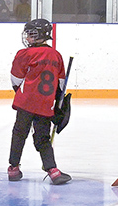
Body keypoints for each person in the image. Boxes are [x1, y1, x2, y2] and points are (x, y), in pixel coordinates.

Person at [7, 18, 72, 184]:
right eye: (28, 34)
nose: (28, 38)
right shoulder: (56, 56)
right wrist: (57, 104)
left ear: (42, 35)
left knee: (19, 134)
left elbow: (15, 79)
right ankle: (53, 171)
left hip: (25, 102)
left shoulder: (25, 54)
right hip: (45, 105)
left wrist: (23, 93)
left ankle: (13, 169)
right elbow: (61, 84)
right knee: (42, 137)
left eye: (32, 34)